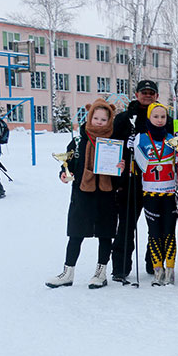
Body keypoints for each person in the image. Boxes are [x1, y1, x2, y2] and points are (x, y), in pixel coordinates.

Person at [46, 99, 123, 289]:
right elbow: (68, 165)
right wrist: (64, 174)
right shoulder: (79, 140)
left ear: (109, 120)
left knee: (105, 234)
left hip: (106, 195)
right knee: (76, 233)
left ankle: (100, 272)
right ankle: (68, 272)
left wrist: (121, 167)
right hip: (82, 194)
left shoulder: (114, 142)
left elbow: (121, 178)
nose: (99, 122)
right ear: (89, 117)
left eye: (103, 119)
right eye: (95, 118)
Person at [110, 79, 160, 282]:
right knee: (126, 225)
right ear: (137, 94)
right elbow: (111, 146)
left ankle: (153, 262)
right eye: (143, 92)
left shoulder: (161, 117)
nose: (147, 95)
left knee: (156, 225)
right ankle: (121, 268)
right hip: (129, 181)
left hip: (155, 181)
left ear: (156, 96)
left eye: (151, 92)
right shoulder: (124, 119)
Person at [133, 102, 178, 286]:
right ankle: (157, 269)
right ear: (149, 118)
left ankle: (170, 269)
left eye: (163, 117)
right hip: (150, 193)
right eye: (156, 117)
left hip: (169, 193)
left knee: (169, 232)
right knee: (154, 233)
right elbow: (136, 165)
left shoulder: (173, 139)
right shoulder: (140, 139)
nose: (160, 120)